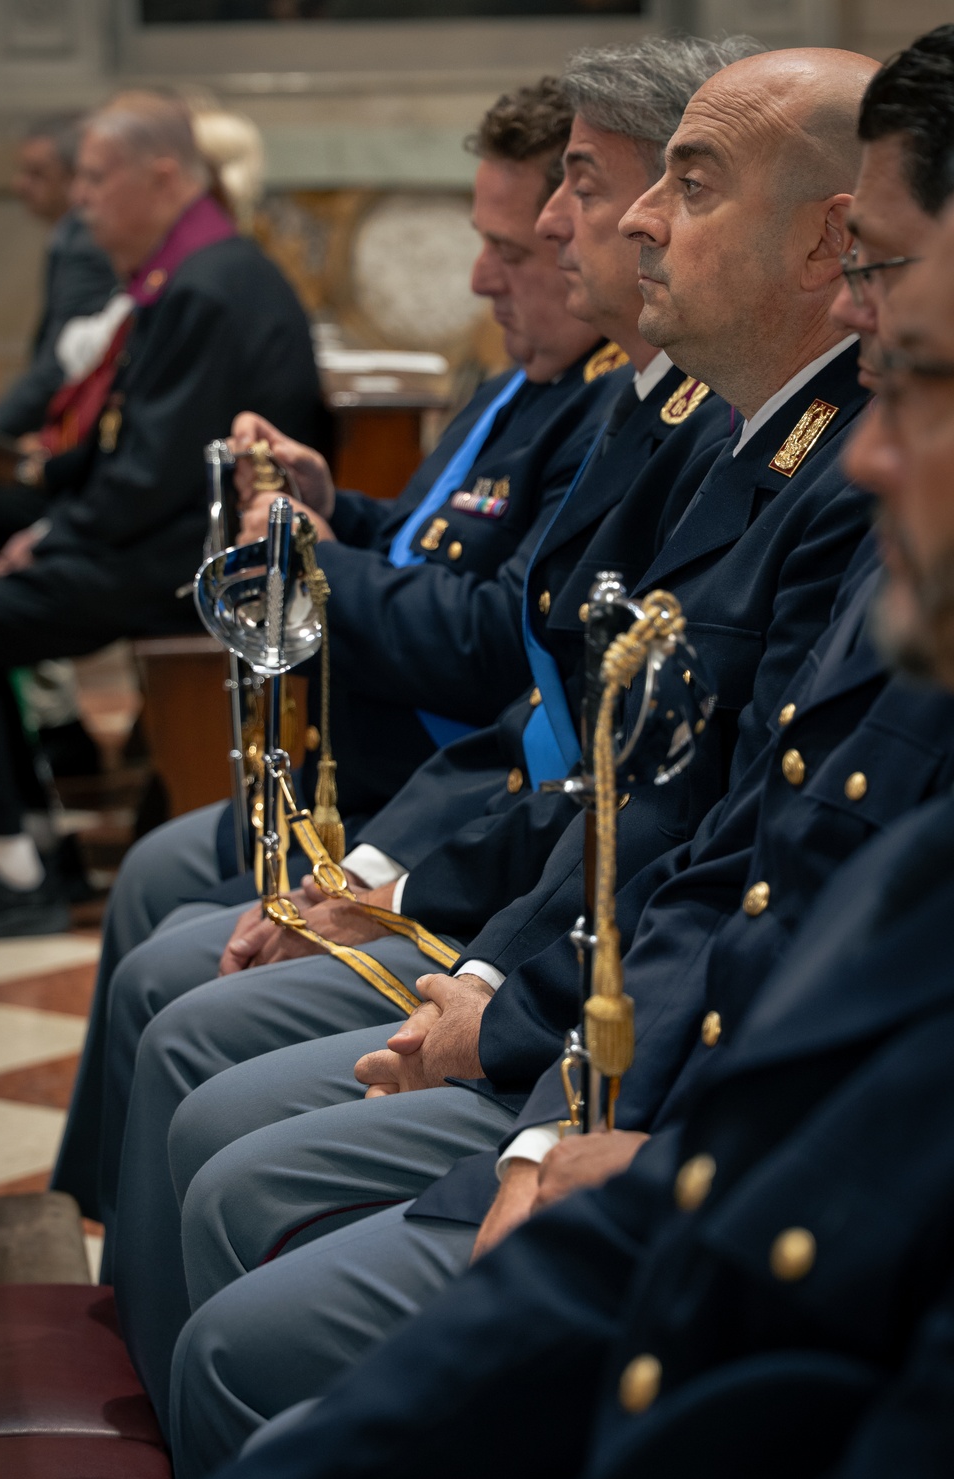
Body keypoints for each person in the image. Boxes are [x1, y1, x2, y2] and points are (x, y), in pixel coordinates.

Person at [114, 41, 873, 1446]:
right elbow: (626, 785)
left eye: (663, 186)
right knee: (200, 1038)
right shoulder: (722, 435)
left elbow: (726, 857)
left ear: (836, 242)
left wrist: (516, 1043)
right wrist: (444, 930)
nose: (599, 226)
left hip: (657, 1064)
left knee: (229, 1176)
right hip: (582, 972)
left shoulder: (811, 467)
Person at [53, 41, 745, 1245]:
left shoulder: (666, 414)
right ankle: (103, 1276)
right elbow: (493, 599)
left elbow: (522, 678)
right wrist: (341, 521)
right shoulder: (578, 394)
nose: (510, 256)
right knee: (167, 926)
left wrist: (400, 889)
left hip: (532, 894)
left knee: (183, 1003)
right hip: (503, 851)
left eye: (559, 205)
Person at [0, 91, 327, 942]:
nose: (80, 201)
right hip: (156, 532)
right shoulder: (188, 273)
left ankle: (12, 861)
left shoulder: (209, 286)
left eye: (94, 179)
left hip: (182, 561)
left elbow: (154, 476)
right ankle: (24, 834)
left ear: (162, 177)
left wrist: (51, 537)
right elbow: (128, 446)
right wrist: (45, 518)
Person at [0, 115, 117, 440]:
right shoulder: (69, 237)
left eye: (37, 174)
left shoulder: (86, 244)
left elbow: (60, 362)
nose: (19, 185)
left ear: (74, 178)